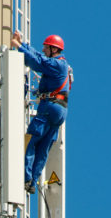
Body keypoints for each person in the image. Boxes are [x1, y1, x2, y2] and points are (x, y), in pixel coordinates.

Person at [11, 31, 71, 194]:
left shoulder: (57, 64)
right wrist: (22, 45)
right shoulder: (60, 64)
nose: (44, 50)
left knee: (31, 140)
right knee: (43, 147)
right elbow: (39, 56)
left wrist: (19, 49)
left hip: (49, 107)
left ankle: (25, 176)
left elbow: (37, 62)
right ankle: (32, 181)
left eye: (46, 48)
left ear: (54, 49)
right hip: (59, 110)